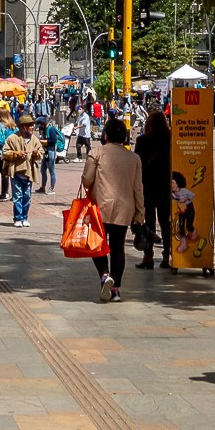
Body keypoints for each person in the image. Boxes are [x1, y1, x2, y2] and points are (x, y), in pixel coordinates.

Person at [80, 117, 145, 302]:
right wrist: (140, 213)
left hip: (101, 207)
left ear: (105, 134)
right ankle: (116, 290)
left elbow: (87, 180)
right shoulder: (134, 158)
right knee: (118, 248)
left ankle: (104, 275)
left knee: (96, 245)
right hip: (125, 208)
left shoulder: (97, 152)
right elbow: (138, 188)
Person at [136, 107, 173, 269]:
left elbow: (138, 164)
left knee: (149, 221)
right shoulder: (169, 139)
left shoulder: (142, 140)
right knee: (166, 222)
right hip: (165, 185)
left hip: (148, 185)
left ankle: (148, 256)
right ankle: (167, 256)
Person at [2, 115, 45, 226]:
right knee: (17, 196)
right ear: (23, 127)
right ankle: (17, 218)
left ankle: (25, 217)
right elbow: (5, 153)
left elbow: (41, 152)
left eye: (32, 125)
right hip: (16, 172)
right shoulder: (12, 138)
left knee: (27, 196)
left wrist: (36, 154)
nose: (32, 127)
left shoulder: (34, 139)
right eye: (30, 125)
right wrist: (16, 154)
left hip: (29, 173)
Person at [41, 115, 63, 194]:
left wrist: (45, 141)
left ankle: (52, 188)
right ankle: (42, 187)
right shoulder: (44, 129)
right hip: (45, 151)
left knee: (52, 170)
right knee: (43, 169)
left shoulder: (51, 129)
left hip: (51, 151)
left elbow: (53, 140)